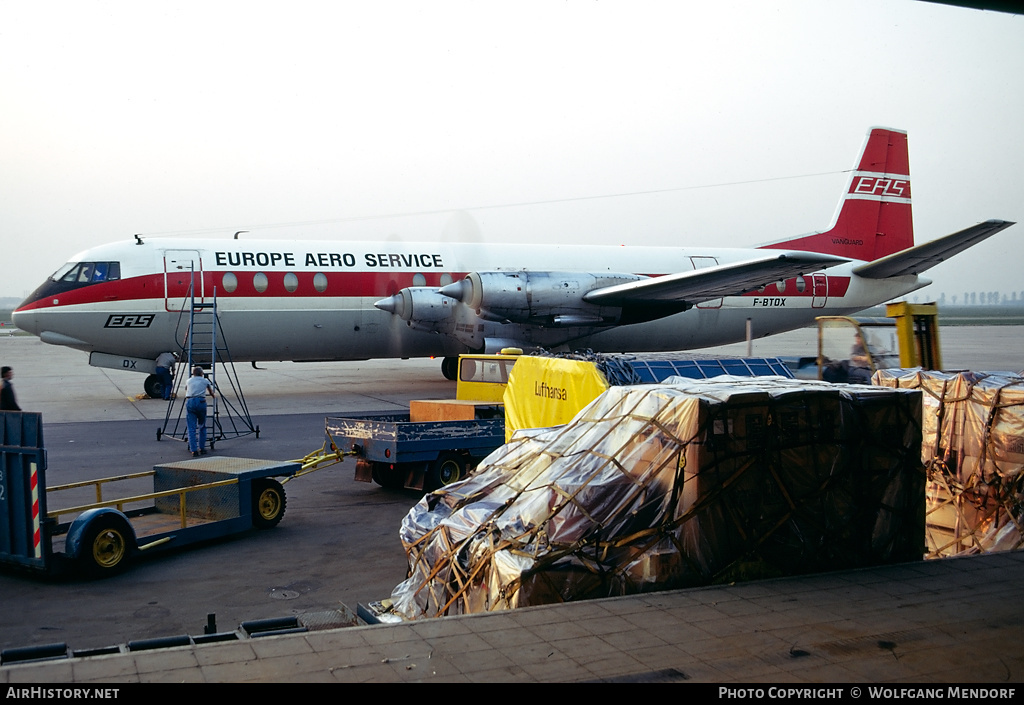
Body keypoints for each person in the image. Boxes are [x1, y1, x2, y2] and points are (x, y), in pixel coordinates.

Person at [185, 365, 215, 457]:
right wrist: (214, 396)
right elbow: (210, 391)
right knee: (202, 425)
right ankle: (202, 448)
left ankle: (194, 450)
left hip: (190, 401)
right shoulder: (205, 381)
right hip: (201, 401)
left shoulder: (189, 380)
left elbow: (186, 389)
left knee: (191, 427)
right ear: (202, 373)